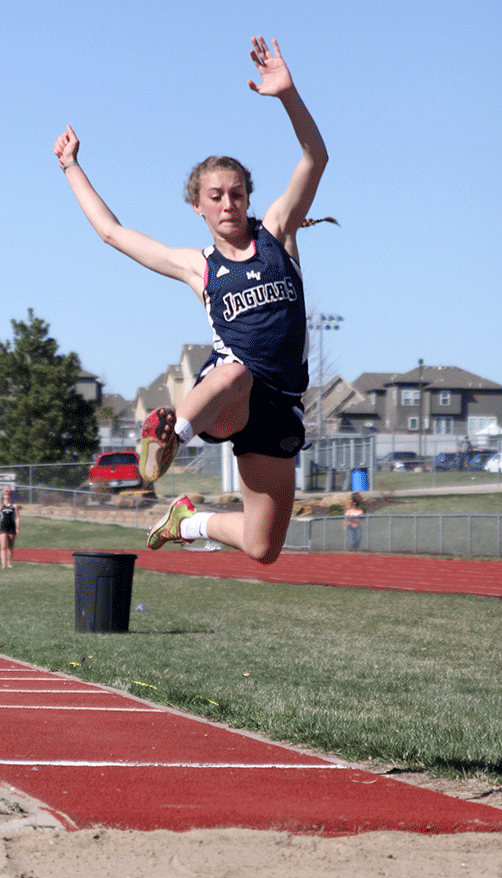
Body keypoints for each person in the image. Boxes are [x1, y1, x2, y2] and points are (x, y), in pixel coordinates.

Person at [54, 36, 331, 566]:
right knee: (234, 371)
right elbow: (113, 233)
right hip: (227, 400)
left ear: (249, 198)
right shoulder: (199, 266)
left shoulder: (278, 233)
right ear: (198, 206)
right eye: (216, 196)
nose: (228, 203)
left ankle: (187, 520)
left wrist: (288, 94)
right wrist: (71, 166)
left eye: (236, 193)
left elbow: (315, 157)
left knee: (262, 545)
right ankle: (167, 438)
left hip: (280, 406)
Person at [0, 487, 20, 569]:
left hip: (11, 527)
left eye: (8, 494)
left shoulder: (14, 506)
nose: (6, 496)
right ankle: (3, 564)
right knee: (3, 546)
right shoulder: (1, 505)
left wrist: (17, 527)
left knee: (10, 546)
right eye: (5, 494)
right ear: (3, 495)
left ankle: (9, 563)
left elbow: (17, 517)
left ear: (10, 495)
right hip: (3, 527)